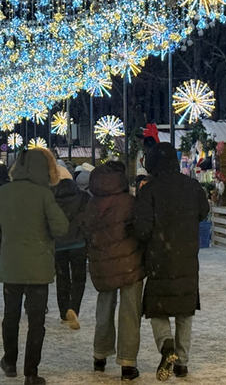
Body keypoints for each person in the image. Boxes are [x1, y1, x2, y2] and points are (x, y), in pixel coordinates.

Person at [0, 147, 69, 385]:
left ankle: (9, 361)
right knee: (36, 321)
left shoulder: (2, 193)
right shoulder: (44, 195)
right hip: (39, 267)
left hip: (11, 266)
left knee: (10, 316)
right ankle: (31, 372)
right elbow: (61, 228)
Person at [134, 143, 209, 381]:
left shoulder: (149, 190)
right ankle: (182, 362)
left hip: (159, 258)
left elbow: (142, 229)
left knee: (157, 308)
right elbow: (204, 212)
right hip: (186, 258)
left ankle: (167, 345)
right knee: (185, 310)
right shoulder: (192, 186)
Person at [82, 161, 145, 381]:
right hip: (130, 261)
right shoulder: (129, 202)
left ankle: (100, 354)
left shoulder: (92, 203)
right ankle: (127, 362)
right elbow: (140, 229)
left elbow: (86, 230)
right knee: (130, 312)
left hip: (102, 263)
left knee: (104, 308)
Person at [52, 165, 90, 330]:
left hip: (59, 244)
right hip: (79, 243)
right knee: (78, 278)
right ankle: (73, 308)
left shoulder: (51, 198)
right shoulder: (83, 197)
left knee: (62, 278)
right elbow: (89, 217)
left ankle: (63, 312)